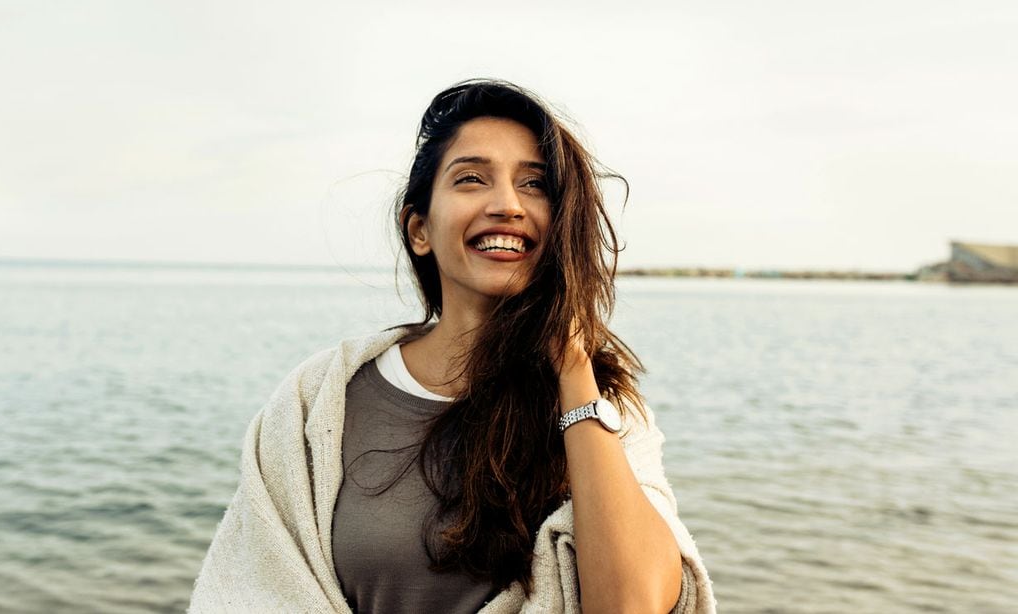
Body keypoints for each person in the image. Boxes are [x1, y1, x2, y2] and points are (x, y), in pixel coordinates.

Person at [189, 79, 715, 613]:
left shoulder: (605, 409)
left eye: (535, 185)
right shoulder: (319, 398)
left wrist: (574, 369)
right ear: (420, 229)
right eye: (471, 179)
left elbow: (632, 605)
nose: (507, 204)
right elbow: (249, 588)